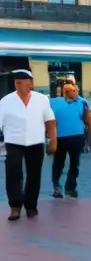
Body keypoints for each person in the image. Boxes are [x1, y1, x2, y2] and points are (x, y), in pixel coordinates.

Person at [0, 69, 56, 220]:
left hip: (36, 142)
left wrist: (53, 141)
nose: (30, 85)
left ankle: (31, 206)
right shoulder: (5, 101)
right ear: (17, 83)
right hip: (13, 142)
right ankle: (15, 207)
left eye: (31, 82)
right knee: (13, 174)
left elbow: (50, 120)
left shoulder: (42, 99)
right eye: (27, 82)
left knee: (34, 175)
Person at [49, 80, 91, 199]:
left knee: (74, 164)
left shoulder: (82, 102)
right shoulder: (51, 102)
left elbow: (88, 120)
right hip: (58, 138)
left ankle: (70, 188)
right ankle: (57, 187)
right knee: (58, 163)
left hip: (76, 137)